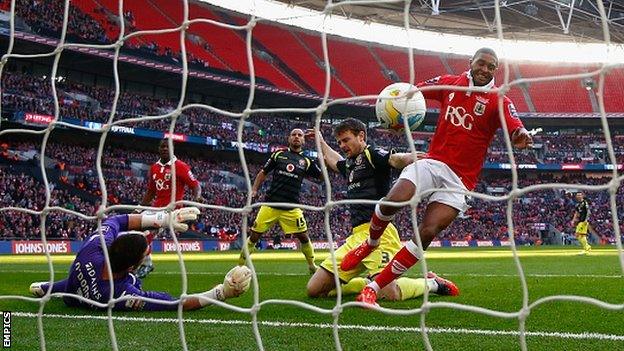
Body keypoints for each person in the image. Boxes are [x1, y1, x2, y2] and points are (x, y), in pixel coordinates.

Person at [341, 47, 534, 306]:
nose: (485, 69)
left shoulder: (500, 100)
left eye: (491, 67)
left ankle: (374, 288)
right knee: (392, 202)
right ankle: (371, 243)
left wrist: (520, 136)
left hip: (460, 181)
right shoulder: (449, 83)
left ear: (495, 70)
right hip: (433, 163)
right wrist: (398, 111)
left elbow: (516, 127)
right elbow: (414, 92)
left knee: (428, 231)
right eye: (481, 63)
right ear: (471, 62)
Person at [305, 118, 459, 301]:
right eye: (339, 142)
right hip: (356, 238)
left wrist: (414, 157)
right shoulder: (349, 164)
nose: (342, 145)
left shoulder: (372, 154)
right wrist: (321, 142)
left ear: (361, 136)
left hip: (381, 234)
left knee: (389, 294)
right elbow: (334, 160)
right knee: (314, 290)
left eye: (346, 140)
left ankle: (432, 283)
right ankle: (366, 283)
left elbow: (395, 159)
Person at [29, 208, 252, 311]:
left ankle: (48, 287)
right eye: (144, 255)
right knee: (71, 292)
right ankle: (49, 288)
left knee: (70, 284)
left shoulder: (93, 249)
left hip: (79, 282)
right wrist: (222, 293)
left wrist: (163, 219)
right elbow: (178, 304)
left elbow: (116, 221)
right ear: (131, 267)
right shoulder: (123, 293)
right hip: (77, 299)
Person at [239, 128, 322, 274]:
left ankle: (311, 265)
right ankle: (240, 266)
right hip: (270, 204)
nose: (296, 137)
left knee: (304, 237)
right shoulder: (279, 155)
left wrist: (324, 162)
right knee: (254, 236)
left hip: (291, 207)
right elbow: (263, 173)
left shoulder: (307, 161)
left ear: (304, 140)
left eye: (300, 135)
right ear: (289, 138)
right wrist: (254, 189)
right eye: (293, 135)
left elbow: (322, 177)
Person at [137, 139, 202, 278]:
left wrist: (197, 197)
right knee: (136, 230)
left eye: (168, 147)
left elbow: (195, 185)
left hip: (171, 210)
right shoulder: (154, 167)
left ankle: (146, 264)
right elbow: (150, 192)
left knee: (146, 233)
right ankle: (143, 262)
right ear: (158, 148)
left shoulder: (181, 166)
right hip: (156, 208)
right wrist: (138, 209)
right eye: (162, 146)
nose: (165, 149)